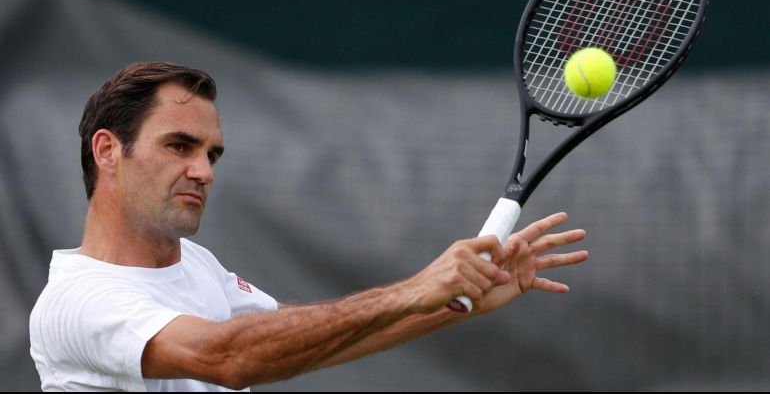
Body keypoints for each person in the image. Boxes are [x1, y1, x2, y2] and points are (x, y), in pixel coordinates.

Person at [29, 62, 589, 391]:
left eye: (212, 155)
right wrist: (415, 289)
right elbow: (226, 357)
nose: (202, 171)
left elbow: (306, 341)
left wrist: (445, 302)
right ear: (108, 150)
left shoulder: (193, 266)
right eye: (179, 146)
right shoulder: (75, 302)